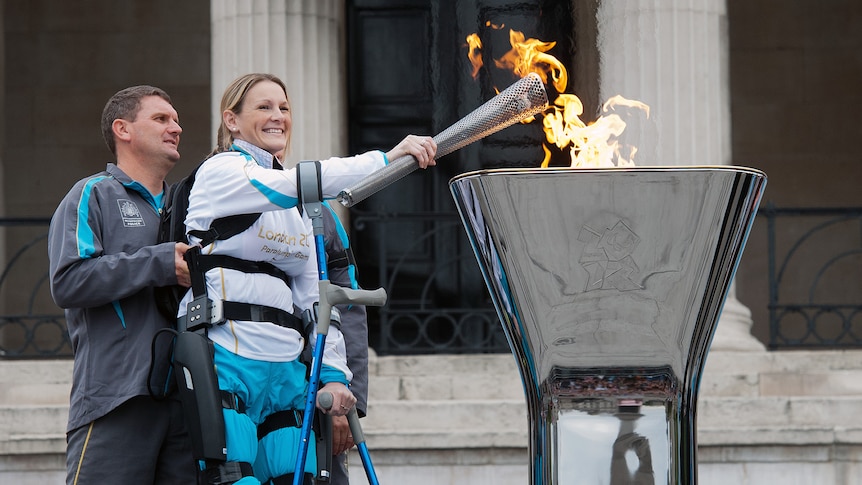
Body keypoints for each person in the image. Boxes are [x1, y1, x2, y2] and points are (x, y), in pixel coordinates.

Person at [178, 72, 436, 484]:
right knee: (232, 477)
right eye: (263, 107)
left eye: (283, 107)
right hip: (225, 357)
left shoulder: (299, 210)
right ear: (231, 120)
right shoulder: (222, 172)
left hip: (286, 372)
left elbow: (319, 304)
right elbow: (293, 183)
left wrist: (334, 374)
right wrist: (385, 160)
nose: (277, 116)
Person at [47, 85, 196, 484]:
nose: (176, 128)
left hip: (187, 404)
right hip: (115, 400)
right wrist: (160, 262)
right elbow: (68, 281)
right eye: (161, 119)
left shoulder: (191, 206)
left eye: (177, 120)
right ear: (122, 129)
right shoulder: (92, 193)